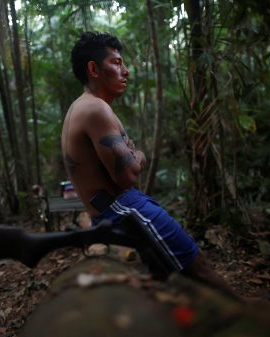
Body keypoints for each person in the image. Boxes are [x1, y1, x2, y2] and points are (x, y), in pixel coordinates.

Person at [61, 31, 237, 297]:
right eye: (117, 63)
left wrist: (133, 153)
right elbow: (129, 174)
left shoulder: (82, 107)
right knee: (197, 266)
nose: (126, 71)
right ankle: (249, 311)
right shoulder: (96, 109)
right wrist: (138, 154)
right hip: (123, 209)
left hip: (111, 210)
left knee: (176, 276)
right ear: (94, 69)